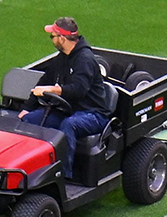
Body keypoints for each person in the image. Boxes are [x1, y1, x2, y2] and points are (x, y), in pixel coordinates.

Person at [22, 18, 111, 156]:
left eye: (53, 36)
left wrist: (52, 90)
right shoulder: (62, 58)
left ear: (62, 38)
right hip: (67, 110)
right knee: (30, 120)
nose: (51, 39)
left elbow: (78, 90)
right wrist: (27, 108)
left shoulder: (85, 59)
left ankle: (64, 174)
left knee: (69, 125)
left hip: (93, 114)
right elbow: (44, 81)